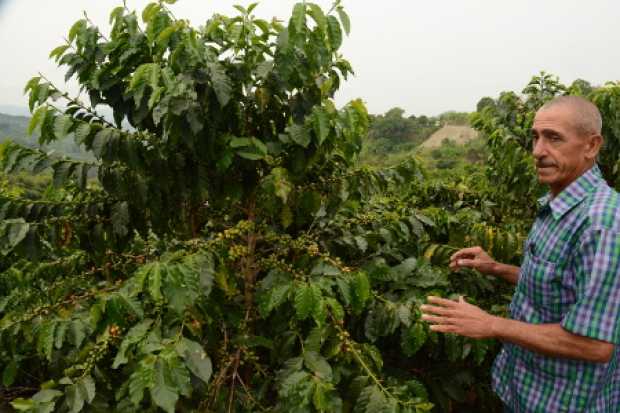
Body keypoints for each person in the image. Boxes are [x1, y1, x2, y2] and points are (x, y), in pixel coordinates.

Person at [420, 95, 620, 412]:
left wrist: (491, 324)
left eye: (554, 138)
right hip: (525, 389)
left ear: (591, 146)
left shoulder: (602, 225)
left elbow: (595, 344)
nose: (538, 151)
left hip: (563, 402)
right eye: (535, 137)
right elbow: (561, 284)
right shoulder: (561, 205)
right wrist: (497, 268)